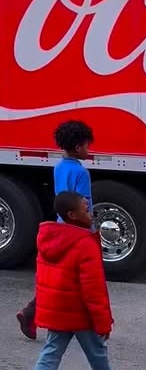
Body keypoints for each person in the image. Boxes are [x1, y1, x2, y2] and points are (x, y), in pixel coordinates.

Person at [23, 191, 133, 370]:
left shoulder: (48, 237)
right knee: (96, 350)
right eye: (85, 209)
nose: (91, 214)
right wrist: (103, 322)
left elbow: (43, 278)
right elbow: (93, 289)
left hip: (58, 309)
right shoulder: (84, 242)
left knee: (51, 351)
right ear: (72, 214)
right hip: (80, 311)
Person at [17, 120, 95, 341]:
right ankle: (33, 314)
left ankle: (36, 314)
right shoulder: (81, 173)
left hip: (62, 226)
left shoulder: (59, 167)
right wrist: (90, 229)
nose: (89, 150)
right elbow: (83, 203)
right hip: (77, 232)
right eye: (87, 145)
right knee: (74, 278)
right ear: (79, 147)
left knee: (62, 278)